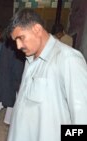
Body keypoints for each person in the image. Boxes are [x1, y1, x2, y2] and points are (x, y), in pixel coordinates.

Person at [7, 9, 87, 141]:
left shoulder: (68, 59)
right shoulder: (30, 59)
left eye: (21, 38)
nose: (18, 46)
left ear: (37, 29)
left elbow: (82, 119)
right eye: (15, 40)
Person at [0, 37, 25, 125]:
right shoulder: (18, 47)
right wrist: (19, 79)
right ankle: (7, 120)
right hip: (11, 78)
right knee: (10, 99)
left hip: (2, 76)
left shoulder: (6, 44)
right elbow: (18, 65)